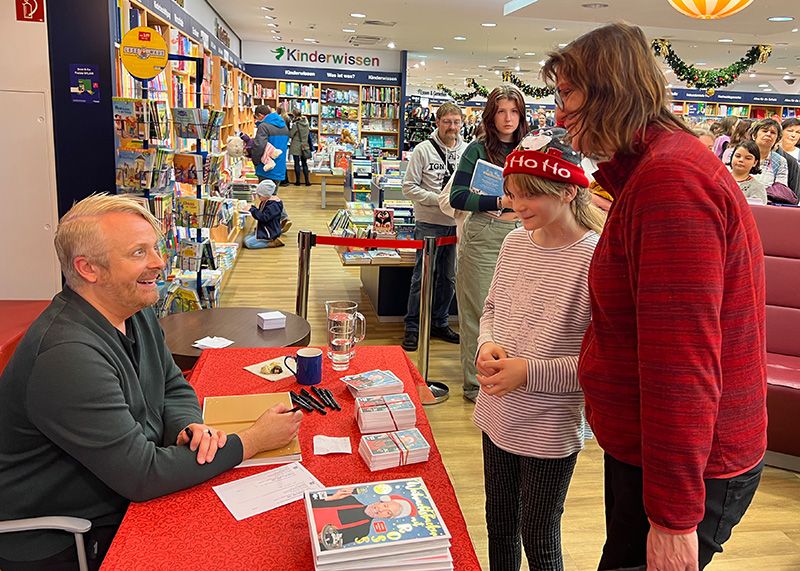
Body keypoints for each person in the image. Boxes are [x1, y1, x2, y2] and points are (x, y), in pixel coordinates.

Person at [543, 22, 766, 571]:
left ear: (610, 90)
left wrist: (673, 517)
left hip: (689, 465)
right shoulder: (655, 170)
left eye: (568, 95)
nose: (558, 116)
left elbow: (680, 364)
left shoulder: (670, 182)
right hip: (652, 451)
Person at [0, 194, 302, 569]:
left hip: (122, 494)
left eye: (155, 248)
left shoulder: (132, 310)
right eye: (139, 253)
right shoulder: (66, 356)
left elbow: (172, 386)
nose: (159, 263)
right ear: (88, 268)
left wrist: (186, 427)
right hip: (72, 537)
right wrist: (253, 441)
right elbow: (141, 475)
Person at [474, 132, 604, 570]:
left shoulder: (594, 257)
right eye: (511, 194)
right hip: (499, 409)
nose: (516, 205)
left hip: (550, 423)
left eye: (529, 195)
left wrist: (528, 373)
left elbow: (598, 359)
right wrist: (486, 342)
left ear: (568, 190)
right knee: (499, 520)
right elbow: (492, 307)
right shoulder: (513, 243)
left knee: (539, 532)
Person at [449, 85, 529, 402]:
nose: (508, 118)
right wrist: (501, 200)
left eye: (513, 111)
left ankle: (509, 377)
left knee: (519, 311)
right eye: (501, 111)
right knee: (478, 312)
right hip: (485, 234)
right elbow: (457, 196)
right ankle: (475, 384)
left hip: (525, 235)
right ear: (490, 115)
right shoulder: (477, 150)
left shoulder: (533, 149)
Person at [401, 102, 468, 351]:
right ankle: (413, 327)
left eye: (456, 122)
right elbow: (409, 186)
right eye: (447, 121)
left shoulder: (468, 150)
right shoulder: (423, 150)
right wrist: (439, 200)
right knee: (422, 277)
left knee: (448, 278)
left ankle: (439, 322)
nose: (452, 127)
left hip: (457, 224)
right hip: (429, 223)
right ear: (438, 122)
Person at [310, 487, 416, 546]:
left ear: (386, 518)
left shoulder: (363, 531)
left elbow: (329, 546)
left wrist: (322, 540)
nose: (382, 510)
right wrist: (331, 498)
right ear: (381, 501)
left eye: (388, 513)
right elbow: (309, 500)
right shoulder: (349, 499)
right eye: (385, 505)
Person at [252, 104, 292, 228]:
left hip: (266, 166)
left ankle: (272, 225)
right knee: (272, 194)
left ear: (260, 116)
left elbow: (259, 146)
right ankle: (283, 218)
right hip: (279, 166)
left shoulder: (263, 126)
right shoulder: (283, 126)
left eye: (256, 118)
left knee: (266, 196)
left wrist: (255, 160)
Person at [244, 179, 286, 249]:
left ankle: (272, 243)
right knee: (245, 239)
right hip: (264, 228)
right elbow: (261, 213)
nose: (258, 197)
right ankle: (265, 239)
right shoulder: (267, 201)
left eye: (260, 196)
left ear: (266, 194)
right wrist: (252, 208)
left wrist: (252, 209)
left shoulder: (273, 206)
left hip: (270, 231)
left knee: (249, 244)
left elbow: (263, 217)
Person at [749, 118, 790, 189]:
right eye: (765, 131)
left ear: (777, 139)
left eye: (773, 132)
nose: (768, 134)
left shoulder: (780, 161)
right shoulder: (740, 154)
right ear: (754, 135)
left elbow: (781, 189)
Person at [288, 108, 312, 186]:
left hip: (296, 145)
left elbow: (291, 135)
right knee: (305, 163)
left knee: (297, 163)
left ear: (294, 115)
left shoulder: (296, 124)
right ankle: (307, 181)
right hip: (305, 144)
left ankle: (298, 181)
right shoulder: (306, 123)